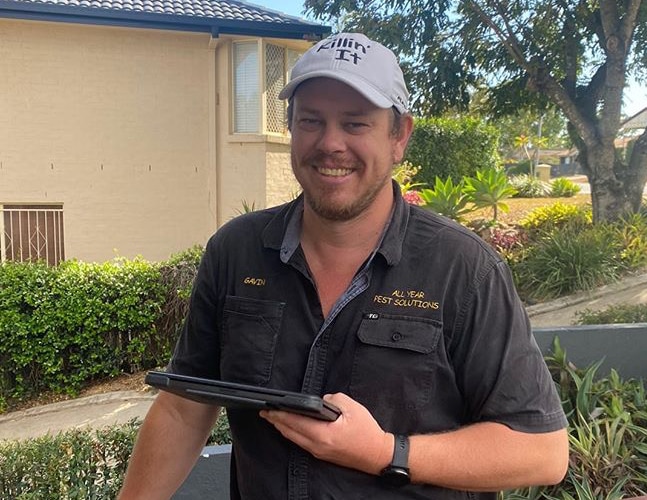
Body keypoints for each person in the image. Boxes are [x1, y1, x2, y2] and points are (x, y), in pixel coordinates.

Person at [118, 32, 568, 500]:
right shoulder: (236, 251)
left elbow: (541, 451)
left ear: (399, 137)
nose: (330, 144)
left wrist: (384, 452)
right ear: (292, 127)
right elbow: (183, 408)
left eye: (355, 124)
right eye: (312, 121)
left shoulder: (464, 270)